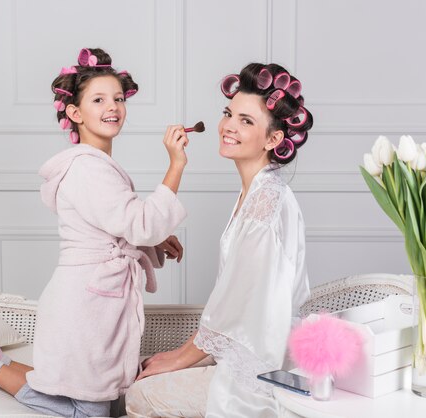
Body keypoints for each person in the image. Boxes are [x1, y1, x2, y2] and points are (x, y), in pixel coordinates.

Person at [0, 47, 189, 418]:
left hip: (91, 300)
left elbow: (117, 223)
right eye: (98, 99)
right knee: (89, 410)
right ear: (75, 113)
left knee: (86, 391)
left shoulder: (97, 166)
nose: (112, 106)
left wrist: (155, 239)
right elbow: (139, 222)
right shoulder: (87, 169)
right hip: (86, 306)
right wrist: (175, 166)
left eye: (117, 98)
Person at [125, 62, 313, 418]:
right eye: (229, 113)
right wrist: (180, 357)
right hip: (245, 352)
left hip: (259, 372)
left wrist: (180, 358)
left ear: (273, 139)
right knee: (141, 376)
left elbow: (237, 303)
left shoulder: (267, 202)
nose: (228, 126)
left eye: (247, 121)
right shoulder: (258, 191)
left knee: (139, 395)